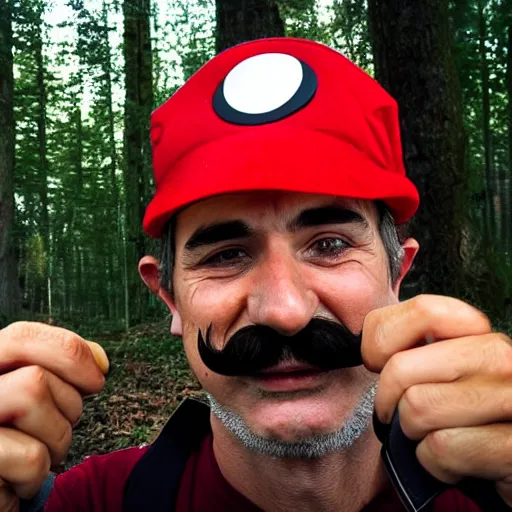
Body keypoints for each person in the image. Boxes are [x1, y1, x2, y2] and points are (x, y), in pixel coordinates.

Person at [0, 37, 511, 512]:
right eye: (225, 256)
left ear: (398, 274)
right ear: (170, 297)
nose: (285, 312)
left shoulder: (494, 490)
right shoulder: (91, 503)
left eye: (329, 246)